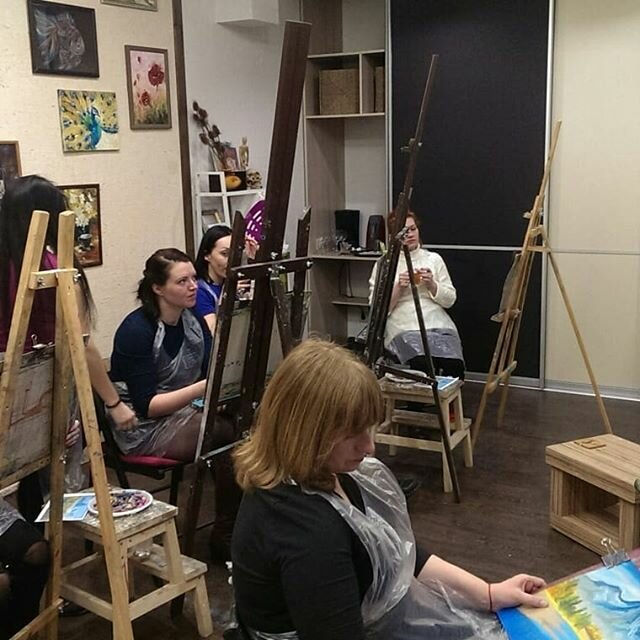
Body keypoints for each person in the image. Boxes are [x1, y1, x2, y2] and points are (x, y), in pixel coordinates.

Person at [231, 340, 547, 639]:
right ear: (307, 434)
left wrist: (488, 594)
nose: (369, 447)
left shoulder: (326, 472)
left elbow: (399, 550)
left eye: (369, 429)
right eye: (353, 434)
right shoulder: (308, 536)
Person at [109, 248, 240, 561]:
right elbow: (148, 406)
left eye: (194, 278)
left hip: (186, 410)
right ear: (158, 288)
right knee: (224, 435)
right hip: (142, 427)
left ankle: (242, 526)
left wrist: (221, 392)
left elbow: (211, 368)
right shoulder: (136, 331)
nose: (193, 286)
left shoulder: (192, 320)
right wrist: (205, 389)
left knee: (246, 421)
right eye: (182, 281)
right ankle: (226, 533)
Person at [369, 210, 465, 380]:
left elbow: (450, 300)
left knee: (453, 364)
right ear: (394, 236)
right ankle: (419, 396)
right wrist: (399, 287)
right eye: (405, 232)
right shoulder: (385, 265)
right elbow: (377, 311)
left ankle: (447, 396)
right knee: (421, 364)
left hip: (436, 321)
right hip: (403, 324)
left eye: (413, 229)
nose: (411, 234)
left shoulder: (433, 259)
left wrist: (432, 284)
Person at [194, 225, 257, 334]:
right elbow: (213, 332)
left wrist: (253, 260)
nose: (231, 260)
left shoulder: (238, 283)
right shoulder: (199, 290)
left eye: (235, 253)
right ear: (207, 255)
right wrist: (228, 294)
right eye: (225, 254)